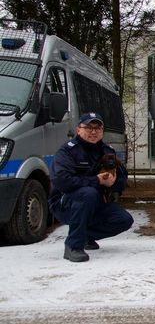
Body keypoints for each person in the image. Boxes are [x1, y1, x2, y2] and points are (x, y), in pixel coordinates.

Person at [48, 112, 134, 262]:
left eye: (98, 128)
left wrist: (114, 185)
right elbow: (62, 181)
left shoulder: (107, 151)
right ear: (78, 130)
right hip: (66, 203)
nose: (93, 132)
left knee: (124, 219)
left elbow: (122, 175)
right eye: (88, 127)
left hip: (96, 203)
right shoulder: (67, 151)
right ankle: (73, 246)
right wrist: (97, 181)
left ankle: (85, 235)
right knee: (88, 193)